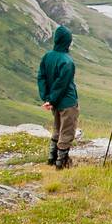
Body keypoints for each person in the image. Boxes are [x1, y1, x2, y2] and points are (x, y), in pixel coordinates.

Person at [37, 25, 79, 170]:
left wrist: (47, 98)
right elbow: (62, 84)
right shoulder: (67, 61)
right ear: (67, 41)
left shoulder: (47, 56)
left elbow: (41, 77)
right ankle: (62, 163)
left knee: (57, 128)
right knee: (67, 130)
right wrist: (52, 99)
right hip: (67, 102)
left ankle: (51, 158)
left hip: (54, 102)